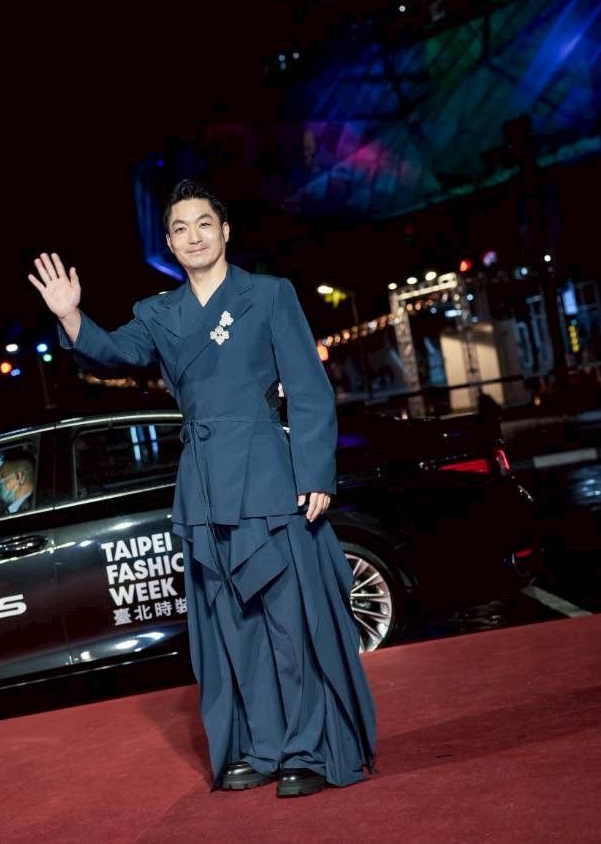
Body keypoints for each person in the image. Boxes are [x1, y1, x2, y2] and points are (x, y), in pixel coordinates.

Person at [29, 179, 377, 798]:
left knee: (289, 624)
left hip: (269, 476)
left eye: (204, 224)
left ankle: (306, 749)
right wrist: (71, 316)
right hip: (204, 487)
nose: (193, 236)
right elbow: (114, 354)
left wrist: (315, 474)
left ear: (225, 231)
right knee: (234, 627)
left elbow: (308, 387)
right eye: (180, 229)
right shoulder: (156, 313)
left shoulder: (268, 294)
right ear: (169, 243)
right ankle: (264, 748)